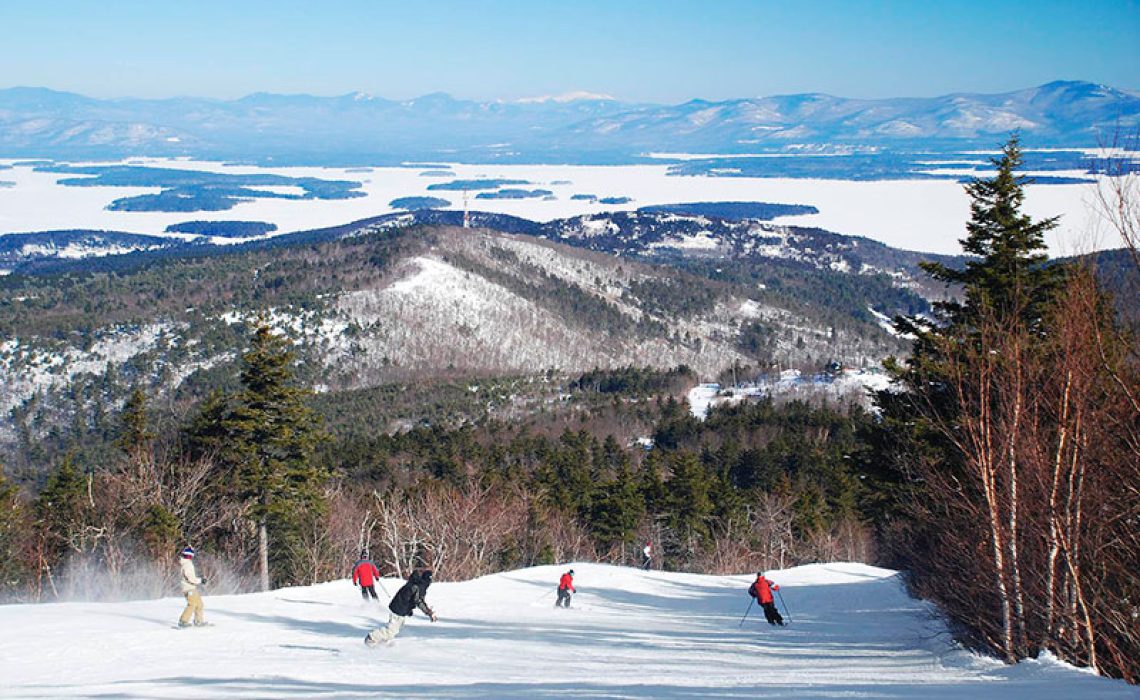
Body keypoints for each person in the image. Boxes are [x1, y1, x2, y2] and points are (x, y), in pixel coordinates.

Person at [365, 568, 437, 647]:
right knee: (391, 630)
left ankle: (383, 642)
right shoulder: (419, 586)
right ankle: (371, 638)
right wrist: (428, 612)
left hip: (400, 608)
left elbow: (410, 597)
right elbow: (418, 601)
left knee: (395, 629)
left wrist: (409, 608)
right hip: (398, 609)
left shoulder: (415, 583)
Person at [178, 546, 207, 628]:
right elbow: (191, 579)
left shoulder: (187, 563)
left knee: (199, 604)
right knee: (192, 604)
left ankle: (199, 621)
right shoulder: (187, 565)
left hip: (192, 588)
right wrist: (201, 581)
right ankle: (183, 621)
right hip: (188, 588)